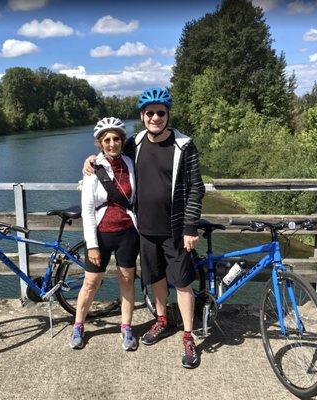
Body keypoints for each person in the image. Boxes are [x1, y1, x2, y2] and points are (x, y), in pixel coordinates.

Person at [83, 88, 205, 368]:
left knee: (183, 282)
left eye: (160, 112)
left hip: (175, 230)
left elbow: (196, 188)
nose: (155, 117)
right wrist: (90, 160)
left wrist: (190, 226)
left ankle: (188, 335)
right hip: (145, 230)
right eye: (149, 113)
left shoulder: (184, 145)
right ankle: (161, 320)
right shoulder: (135, 142)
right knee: (158, 279)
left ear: (167, 115)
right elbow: (109, 155)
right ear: (142, 116)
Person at [70, 117, 140, 351]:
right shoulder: (93, 169)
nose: (112, 144)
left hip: (128, 233)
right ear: (100, 143)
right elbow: (88, 210)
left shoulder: (130, 163)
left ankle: (127, 327)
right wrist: (92, 246)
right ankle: (78, 325)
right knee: (91, 283)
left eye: (116, 139)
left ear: (122, 141)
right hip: (101, 234)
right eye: (107, 140)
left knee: (127, 280)